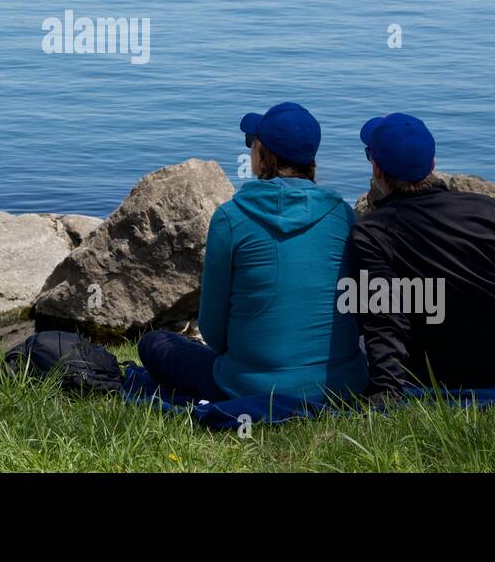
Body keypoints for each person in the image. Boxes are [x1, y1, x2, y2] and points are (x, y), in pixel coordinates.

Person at [137, 102, 368, 404]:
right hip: (340, 384)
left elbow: (214, 333)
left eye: (251, 143)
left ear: (262, 154)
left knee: (154, 343)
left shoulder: (230, 219)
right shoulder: (343, 216)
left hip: (250, 387)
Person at [347, 112, 495, 397]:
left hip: (430, 376)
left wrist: (384, 394)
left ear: (377, 169)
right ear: (433, 164)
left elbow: (383, 318)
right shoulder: (492, 212)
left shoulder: (371, 233)